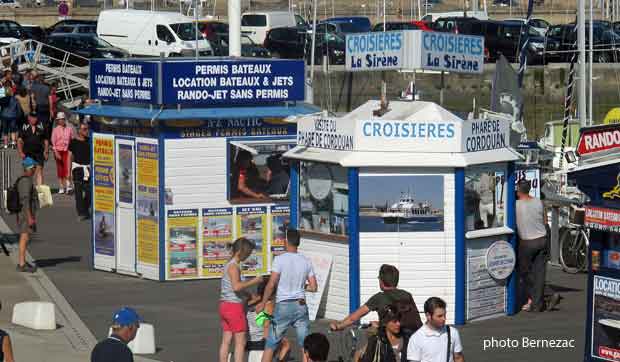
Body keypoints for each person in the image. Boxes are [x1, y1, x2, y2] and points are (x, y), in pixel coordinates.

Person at [257, 228, 317, 362]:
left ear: (286, 241)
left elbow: (271, 284)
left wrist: (262, 302)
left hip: (283, 305)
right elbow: (313, 287)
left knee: (271, 344)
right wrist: (302, 286)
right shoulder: (306, 261)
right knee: (305, 346)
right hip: (300, 305)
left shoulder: (279, 260)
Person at [330, 264, 421, 335]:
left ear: (381, 281)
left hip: (391, 339)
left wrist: (339, 326)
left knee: (362, 352)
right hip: (412, 336)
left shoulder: (379, 297)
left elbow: (354, 318)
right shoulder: (407, 295)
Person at [516, 180, 561, 312]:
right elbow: (545, 221)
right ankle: (537, 305)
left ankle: (544, 295)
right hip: (542, 239)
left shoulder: (516, 205)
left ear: (519, 190)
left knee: (523, 272)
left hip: (527, 242)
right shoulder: (539, 202)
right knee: (540, 273)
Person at [219, 237, 263, 362]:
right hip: (234, 308)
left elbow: (233, 287)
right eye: (247, 254)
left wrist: (248, 295)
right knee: (240, 342)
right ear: (240, 252)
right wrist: (254, 281)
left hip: (224, 305)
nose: (247, 257)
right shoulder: (234, 267)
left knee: (226, 340)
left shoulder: (229, 264)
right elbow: (236, 286)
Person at [407, 297, 464, 362]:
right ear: (428, 316)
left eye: (444, 315)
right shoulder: (416, 338)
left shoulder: (452, 332)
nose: (444, 319)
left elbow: (458, 358)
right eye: (439, 316)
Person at [246, 278, 290, 361]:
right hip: (263, 349)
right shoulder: (268, 306)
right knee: (286, 345)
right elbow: (267, 326)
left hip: (252, 348)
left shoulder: (250, 306)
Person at [15, 157, 37, 273]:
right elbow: (25, 200)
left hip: (25, 212)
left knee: (26, 236)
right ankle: (22, 263)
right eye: (33, 167)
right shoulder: (25, 181)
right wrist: (29, 218)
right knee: (24, 237)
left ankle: (22, 261)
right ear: (29, 168)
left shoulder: (26, 180)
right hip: (25, 213)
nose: (34, 169)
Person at [18, 112, 48, 186]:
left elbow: (46, 140)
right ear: (29, 118)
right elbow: (19, 140)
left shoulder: (41, 126)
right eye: (32, 117)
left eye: (35, 117)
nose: (34, 119)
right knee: (29, 172)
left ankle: (39, 189)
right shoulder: (24, 126)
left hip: (39, 153)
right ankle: (26, 188)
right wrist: (20, 152)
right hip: (28, 153)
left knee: (39, 171)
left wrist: (46, 151)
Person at [69, 122, 91, 220]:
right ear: (79, 131)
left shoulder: (89, 141)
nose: (87, 131)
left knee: (89, 192)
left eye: (87, 129)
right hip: (77, 169)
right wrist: (69, 172)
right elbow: (70, 157)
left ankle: (85, 209)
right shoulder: (73, 142)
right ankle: (81, 213)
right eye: (84, 129)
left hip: (88, 169)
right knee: (78, 193)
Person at [51, 112, 73, 194]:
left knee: (67, 168)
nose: (61, 121)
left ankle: (68, 186)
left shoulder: (69, 129)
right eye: (59, 120)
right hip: (58, 150)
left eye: (63, 119)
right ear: (58, 121)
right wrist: (56, 152)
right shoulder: (55, 130)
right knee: (60, 169)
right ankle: (61, 186)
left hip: (67, 150)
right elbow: (53, 143)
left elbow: (72, 139)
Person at [0, 82, 18, 149]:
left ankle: (5, 144)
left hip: (4, 115)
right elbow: (17, 107)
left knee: (5, 130)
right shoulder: (15, 99)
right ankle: (13, 143)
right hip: (13, 115)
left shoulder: (3, 98)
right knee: (13, 130)